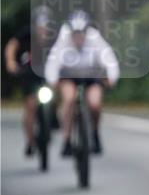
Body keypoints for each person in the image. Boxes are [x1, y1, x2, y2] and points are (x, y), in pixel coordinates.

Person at [44, 10, 120, 156]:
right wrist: (52, 80)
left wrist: (112, 78)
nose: (78, 37)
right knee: (69, 99)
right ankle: (67, 139)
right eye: (75, 34)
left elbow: (109, 59)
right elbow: (53, 61)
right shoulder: (64, 38)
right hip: (69, 76)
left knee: (95, 104)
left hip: (91, 76)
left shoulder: (94, 37)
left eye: (81, 33)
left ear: (86, 31)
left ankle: (95, 133)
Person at [4, 6, 57, 155]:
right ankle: (30, 140)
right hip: (29, 73)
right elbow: (12, 45)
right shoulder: (27, 33)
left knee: (58, 93)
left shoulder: (55, 36)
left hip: (48, 73)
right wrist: (11, 62)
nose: (43, 30)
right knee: (31, 104)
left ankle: (54, 117)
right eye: (40, 26)